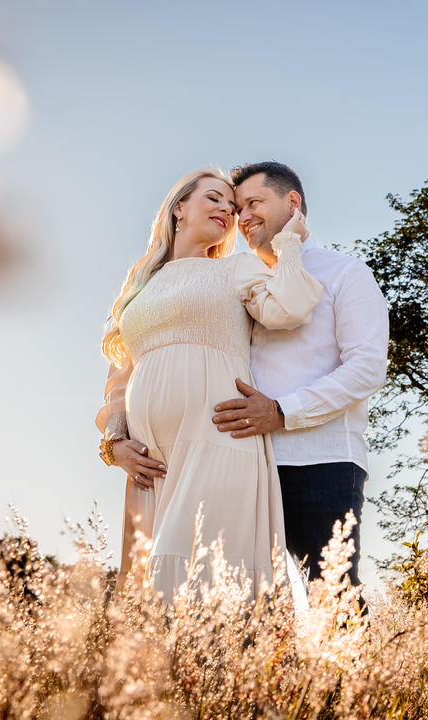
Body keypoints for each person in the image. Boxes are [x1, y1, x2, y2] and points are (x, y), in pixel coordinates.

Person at [94, 167, 322, 598]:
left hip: (217, 437)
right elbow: (120, 376)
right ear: (179, 207)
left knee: (203, 572)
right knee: (152, 591)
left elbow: (290, 308)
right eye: (214, 198)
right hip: (152, 462)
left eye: (232, 207)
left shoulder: (237, 268)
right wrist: (115, 444)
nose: (227, 211)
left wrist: (288, 243)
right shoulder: (140, 284)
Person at [210, 161, 389, 590]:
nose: (243, 216)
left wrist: (281, 411)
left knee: (333, 596)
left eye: (254, 202)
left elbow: (366, 369)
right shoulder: (236, 282)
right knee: (245, 602)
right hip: (244, 463)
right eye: (238, 208)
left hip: (320, 463)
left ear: (292, 202)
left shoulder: (345, 274)